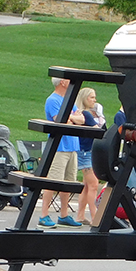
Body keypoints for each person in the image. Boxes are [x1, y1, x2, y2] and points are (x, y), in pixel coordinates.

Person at [40, 77, 85, 228]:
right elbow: (60, 121)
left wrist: (71, 118)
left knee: (68, 182)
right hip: (59, 147)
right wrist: (71, 119)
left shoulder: (69, 100)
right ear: (62, 82)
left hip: (73, 146)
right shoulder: (52, 100)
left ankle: (64, 214)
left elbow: (82, 119)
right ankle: (44, 215)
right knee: (53, 181)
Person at [73, 87, 105, 225]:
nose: (94, 100)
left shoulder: (81, 113)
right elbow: (99, 131)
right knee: (93, 185)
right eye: (92, 97)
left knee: (87, 186)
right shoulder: (86, 114)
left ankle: (80, 215)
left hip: (83, 150)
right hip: (86, 151)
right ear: (85, 98)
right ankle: (95, 217)